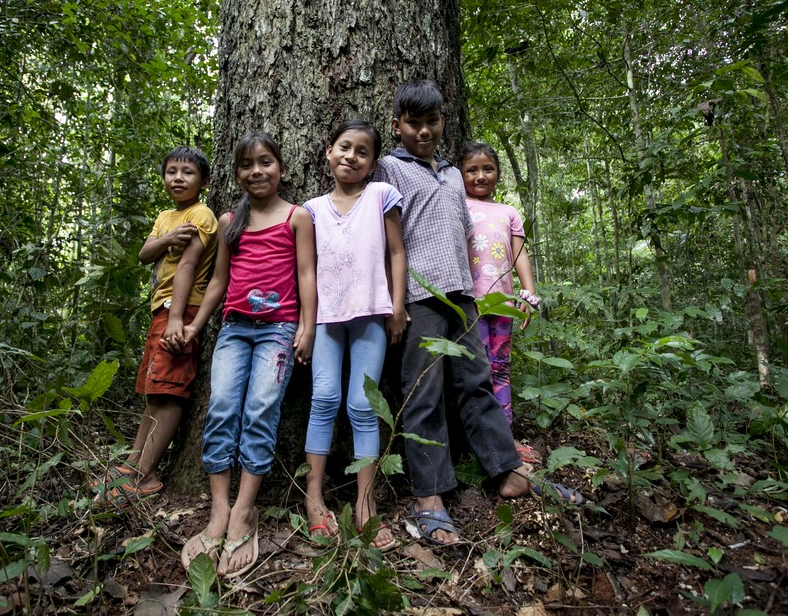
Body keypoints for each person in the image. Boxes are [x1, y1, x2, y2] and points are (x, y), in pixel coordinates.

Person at [372, 80, 583, 546]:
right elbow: (385, 239)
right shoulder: (388, 167)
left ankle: (506, 472)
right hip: (419, 296)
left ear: (443, 122)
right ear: (397, 125)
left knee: (476, 383)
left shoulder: (451, 174)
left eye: (431, 122)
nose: (423, 131)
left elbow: (467, 232)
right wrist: (395, 301)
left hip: (463, 295)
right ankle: (429, 496)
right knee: (422, 391)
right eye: (413, 123)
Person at [177, 131, 317, 578]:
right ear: (236, 174)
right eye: (246, 165)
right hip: (235, 330)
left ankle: (244, 510)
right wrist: (197, 326)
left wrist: (307, 327)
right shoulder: (228, 220)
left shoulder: (297, 217)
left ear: (281, 168)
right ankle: (219, 511)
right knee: (220, 408)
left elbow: (308, 274)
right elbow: (218, 282)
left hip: (278, 332)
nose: (256, 171)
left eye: (265, 162)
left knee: (260, 409)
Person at [302, 120, 407, 551]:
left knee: (363, 405)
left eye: (362, 152)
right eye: (344, 147)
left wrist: (397, 306)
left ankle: (366, 505)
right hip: (327, 318)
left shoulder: (381, 196)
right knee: (324, 399)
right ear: (329, 151)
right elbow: (305, 271)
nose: (351, 156)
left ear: (372, 163)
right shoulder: (309, 209)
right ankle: (314, 501)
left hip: (371, 315)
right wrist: (306, 326)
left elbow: (397, 252)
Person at [93, 147, 218, 507]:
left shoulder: (201, 215)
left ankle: (147, 474)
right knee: (153, 390)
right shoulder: (166, 216)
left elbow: (188, 266)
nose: (178, 178)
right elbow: (145, 253)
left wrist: (177, 318)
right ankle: (133, 465)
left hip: (180, 309)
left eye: (188, 173)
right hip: (161, 310)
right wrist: (165, 239)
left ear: (204, 182)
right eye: (171, 172)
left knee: (169, 391)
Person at [460, 142, 541, 448]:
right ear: (461, 174)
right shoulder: (459, 205)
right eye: (472, 170)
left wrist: (528, 295)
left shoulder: (509, 212)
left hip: (505, 305)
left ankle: (505, 435)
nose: (480, 176)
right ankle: (479, 438)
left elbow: (519, 253)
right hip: (472, 303)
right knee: (477, 369)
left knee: (501, 367)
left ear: (498, 173)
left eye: (488, 169)